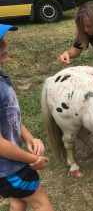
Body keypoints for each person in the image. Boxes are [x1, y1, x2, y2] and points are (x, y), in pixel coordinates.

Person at [0, 24, 53, 210]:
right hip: (9, 168)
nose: (5, 46)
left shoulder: (1, 77)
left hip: (9, 167)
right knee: (41, 204)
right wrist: (31, 160)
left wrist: (28, 137)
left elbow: (9, 116)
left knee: (17, 203)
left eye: (4, 40)